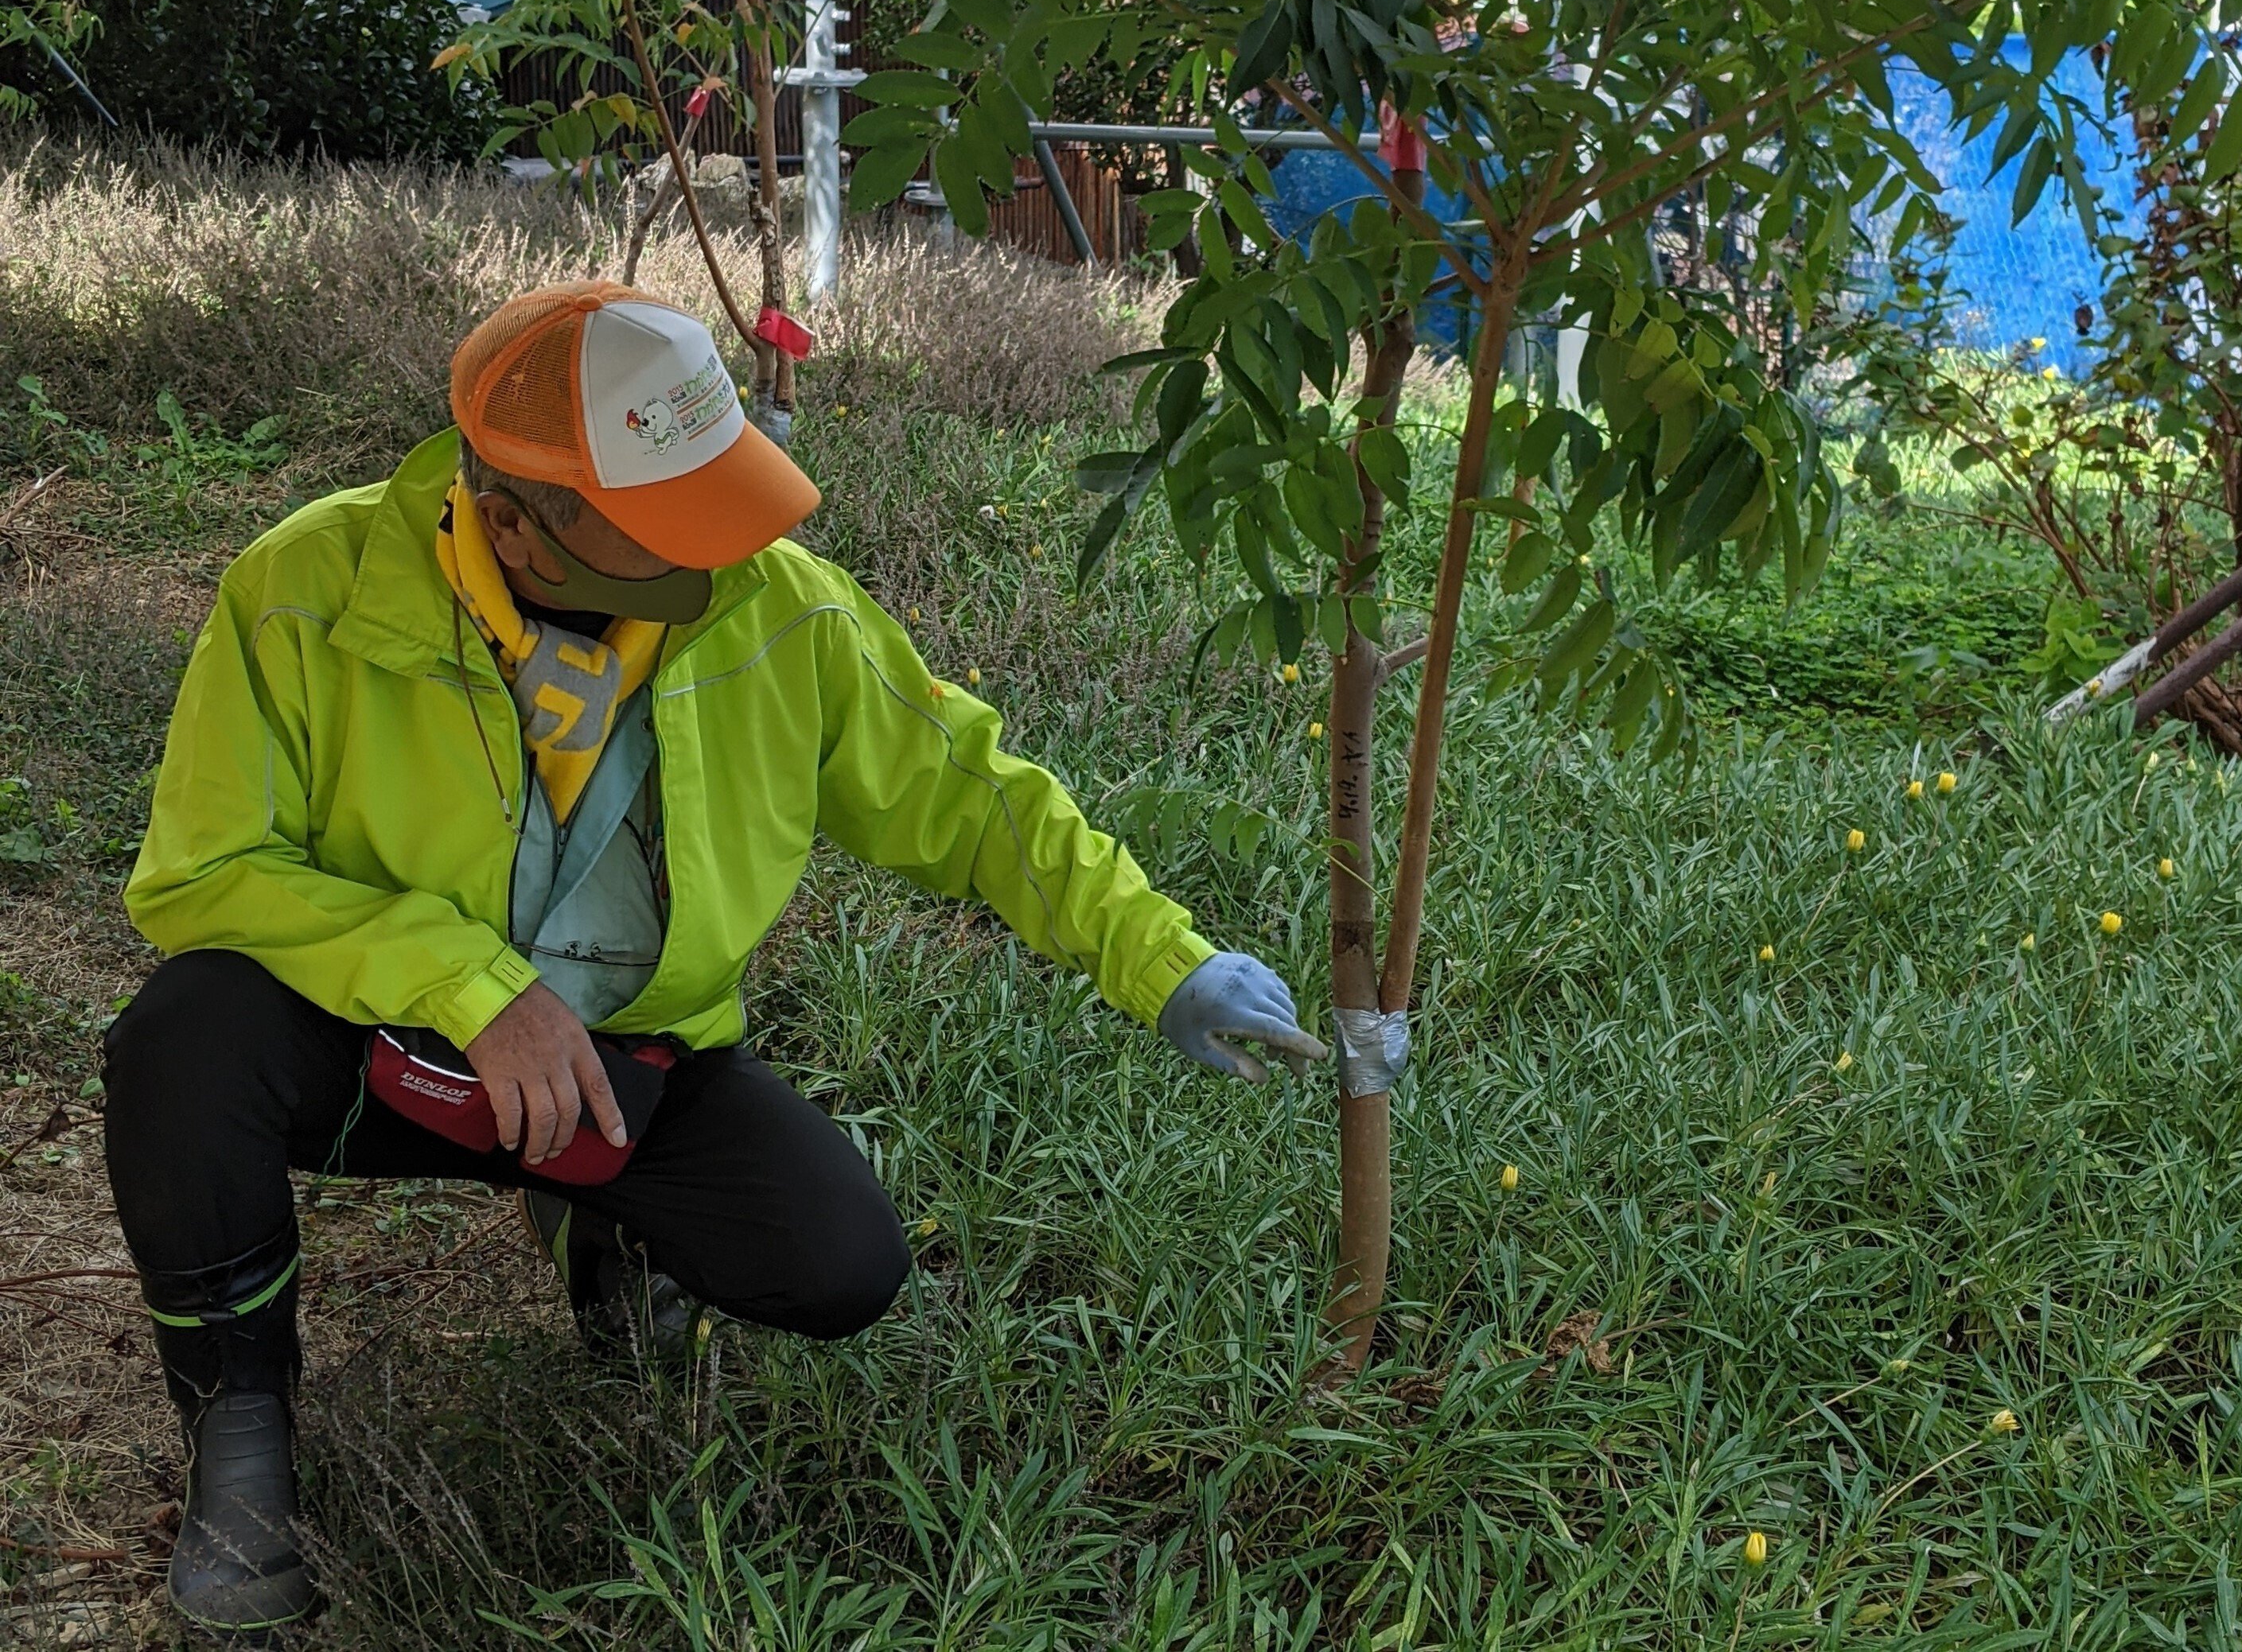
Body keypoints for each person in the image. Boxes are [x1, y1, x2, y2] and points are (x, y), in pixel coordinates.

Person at [103, 282, 1325, 1634]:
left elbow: (976, 799)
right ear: (512, 525)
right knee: (184, 1044)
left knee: (838, 1263)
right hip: (383, 1052)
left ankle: (603, 1225)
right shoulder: (303, 590)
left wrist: (1162, 960)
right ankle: (240, 1431)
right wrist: (469, 986)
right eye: (669, 528)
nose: (726, 556)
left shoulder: (776, 607)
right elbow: (204, 871)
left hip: (636, 1064)